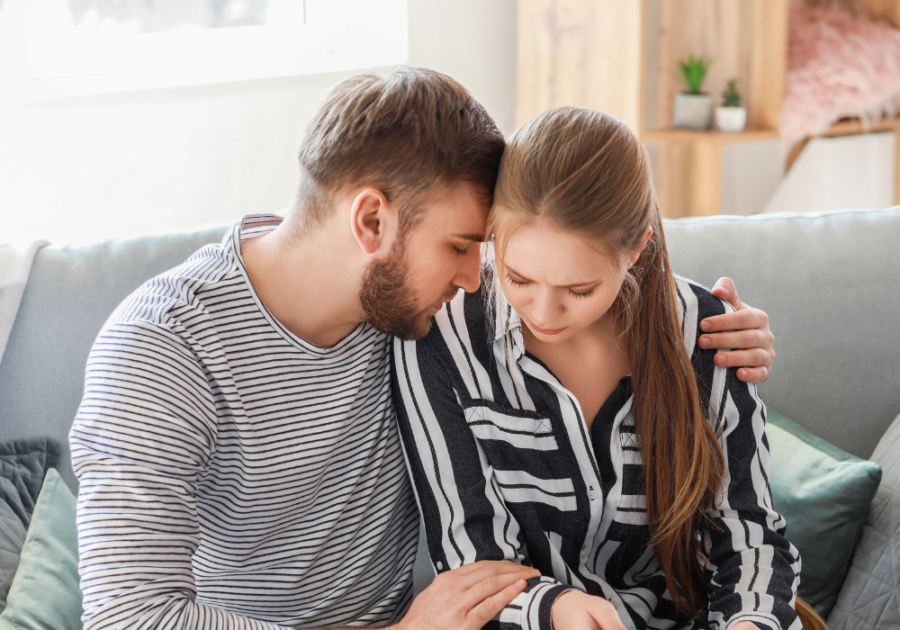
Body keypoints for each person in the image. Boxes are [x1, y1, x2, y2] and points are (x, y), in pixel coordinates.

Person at [69, 68, 776, 630]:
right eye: (463, 248)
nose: (481, 282)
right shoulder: (162, 350)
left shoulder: (413, 314)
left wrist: (714, 330)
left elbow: (582, 261)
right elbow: (131, 615)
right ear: (371, 220)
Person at [393, 107, 799, 630]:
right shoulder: (443, 338)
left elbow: (750, 535)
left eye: (579, 290)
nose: (542, 313)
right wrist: (554, 608)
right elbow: (470, 554)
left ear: (636, 250)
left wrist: (749, 624)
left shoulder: (709, 334)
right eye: (518, 279)